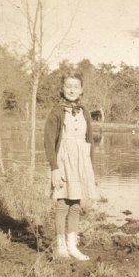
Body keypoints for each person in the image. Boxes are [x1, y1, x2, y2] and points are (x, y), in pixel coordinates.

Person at [44, 74, 97, 261]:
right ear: (62, 89)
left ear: (81, 89)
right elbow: (49, 142)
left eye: (76, 86)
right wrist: (54, 168)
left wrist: (90, 168)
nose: (72, 90)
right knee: (62, 204)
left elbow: (89, 140)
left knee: (76, 205)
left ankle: (72, 246)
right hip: (63, 161)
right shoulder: (57, 111)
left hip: (81, 162)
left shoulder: (85, 111)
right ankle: (60, 248)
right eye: (68, 86)